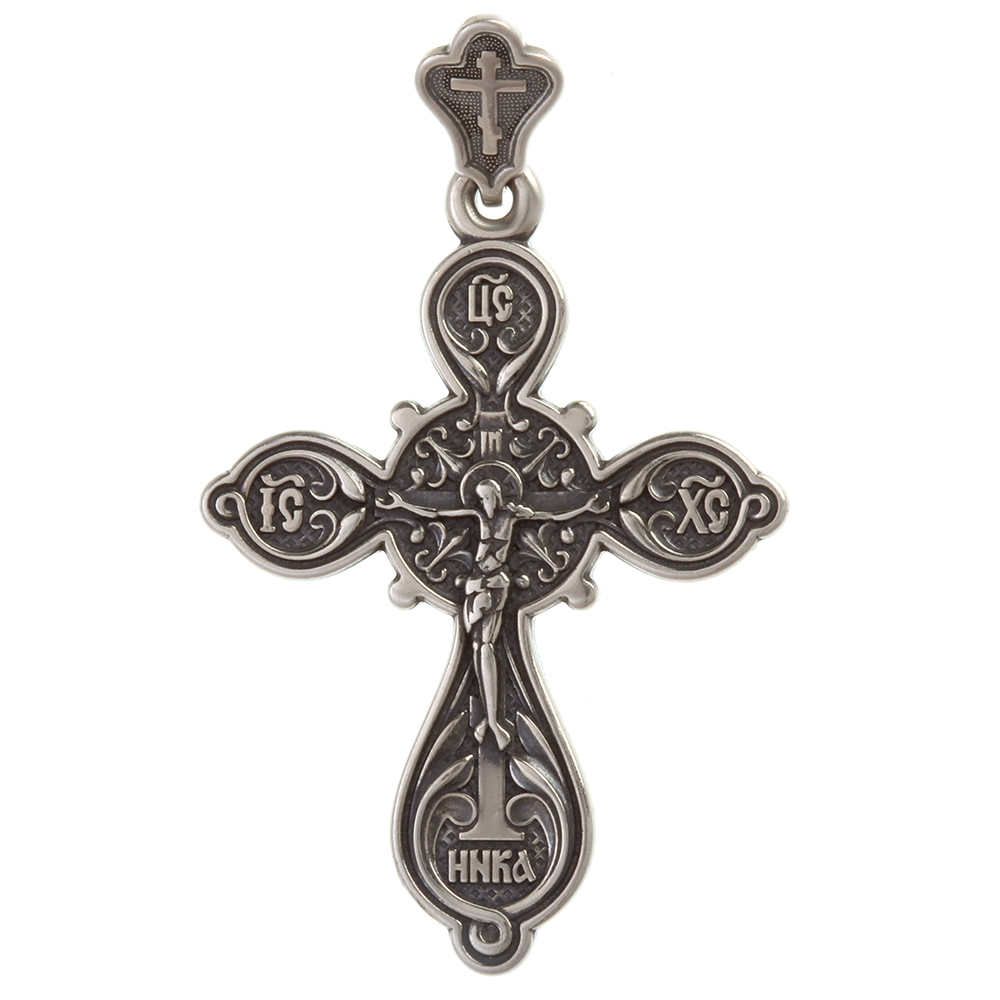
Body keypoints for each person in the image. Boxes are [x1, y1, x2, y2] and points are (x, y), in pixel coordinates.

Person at [380, 478, 605, 749]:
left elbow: (554, 513)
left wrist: (587, 507)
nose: (485, 503)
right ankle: (490, 719)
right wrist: (402, 504)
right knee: (478, 646)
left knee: (486, 645)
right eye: (481, 498)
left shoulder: (512, 515)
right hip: (476, 583)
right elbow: (436, 511)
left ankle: (494, 720)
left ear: (497, 496)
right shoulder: (476, 516)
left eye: (488, 497)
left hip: (495, 584)